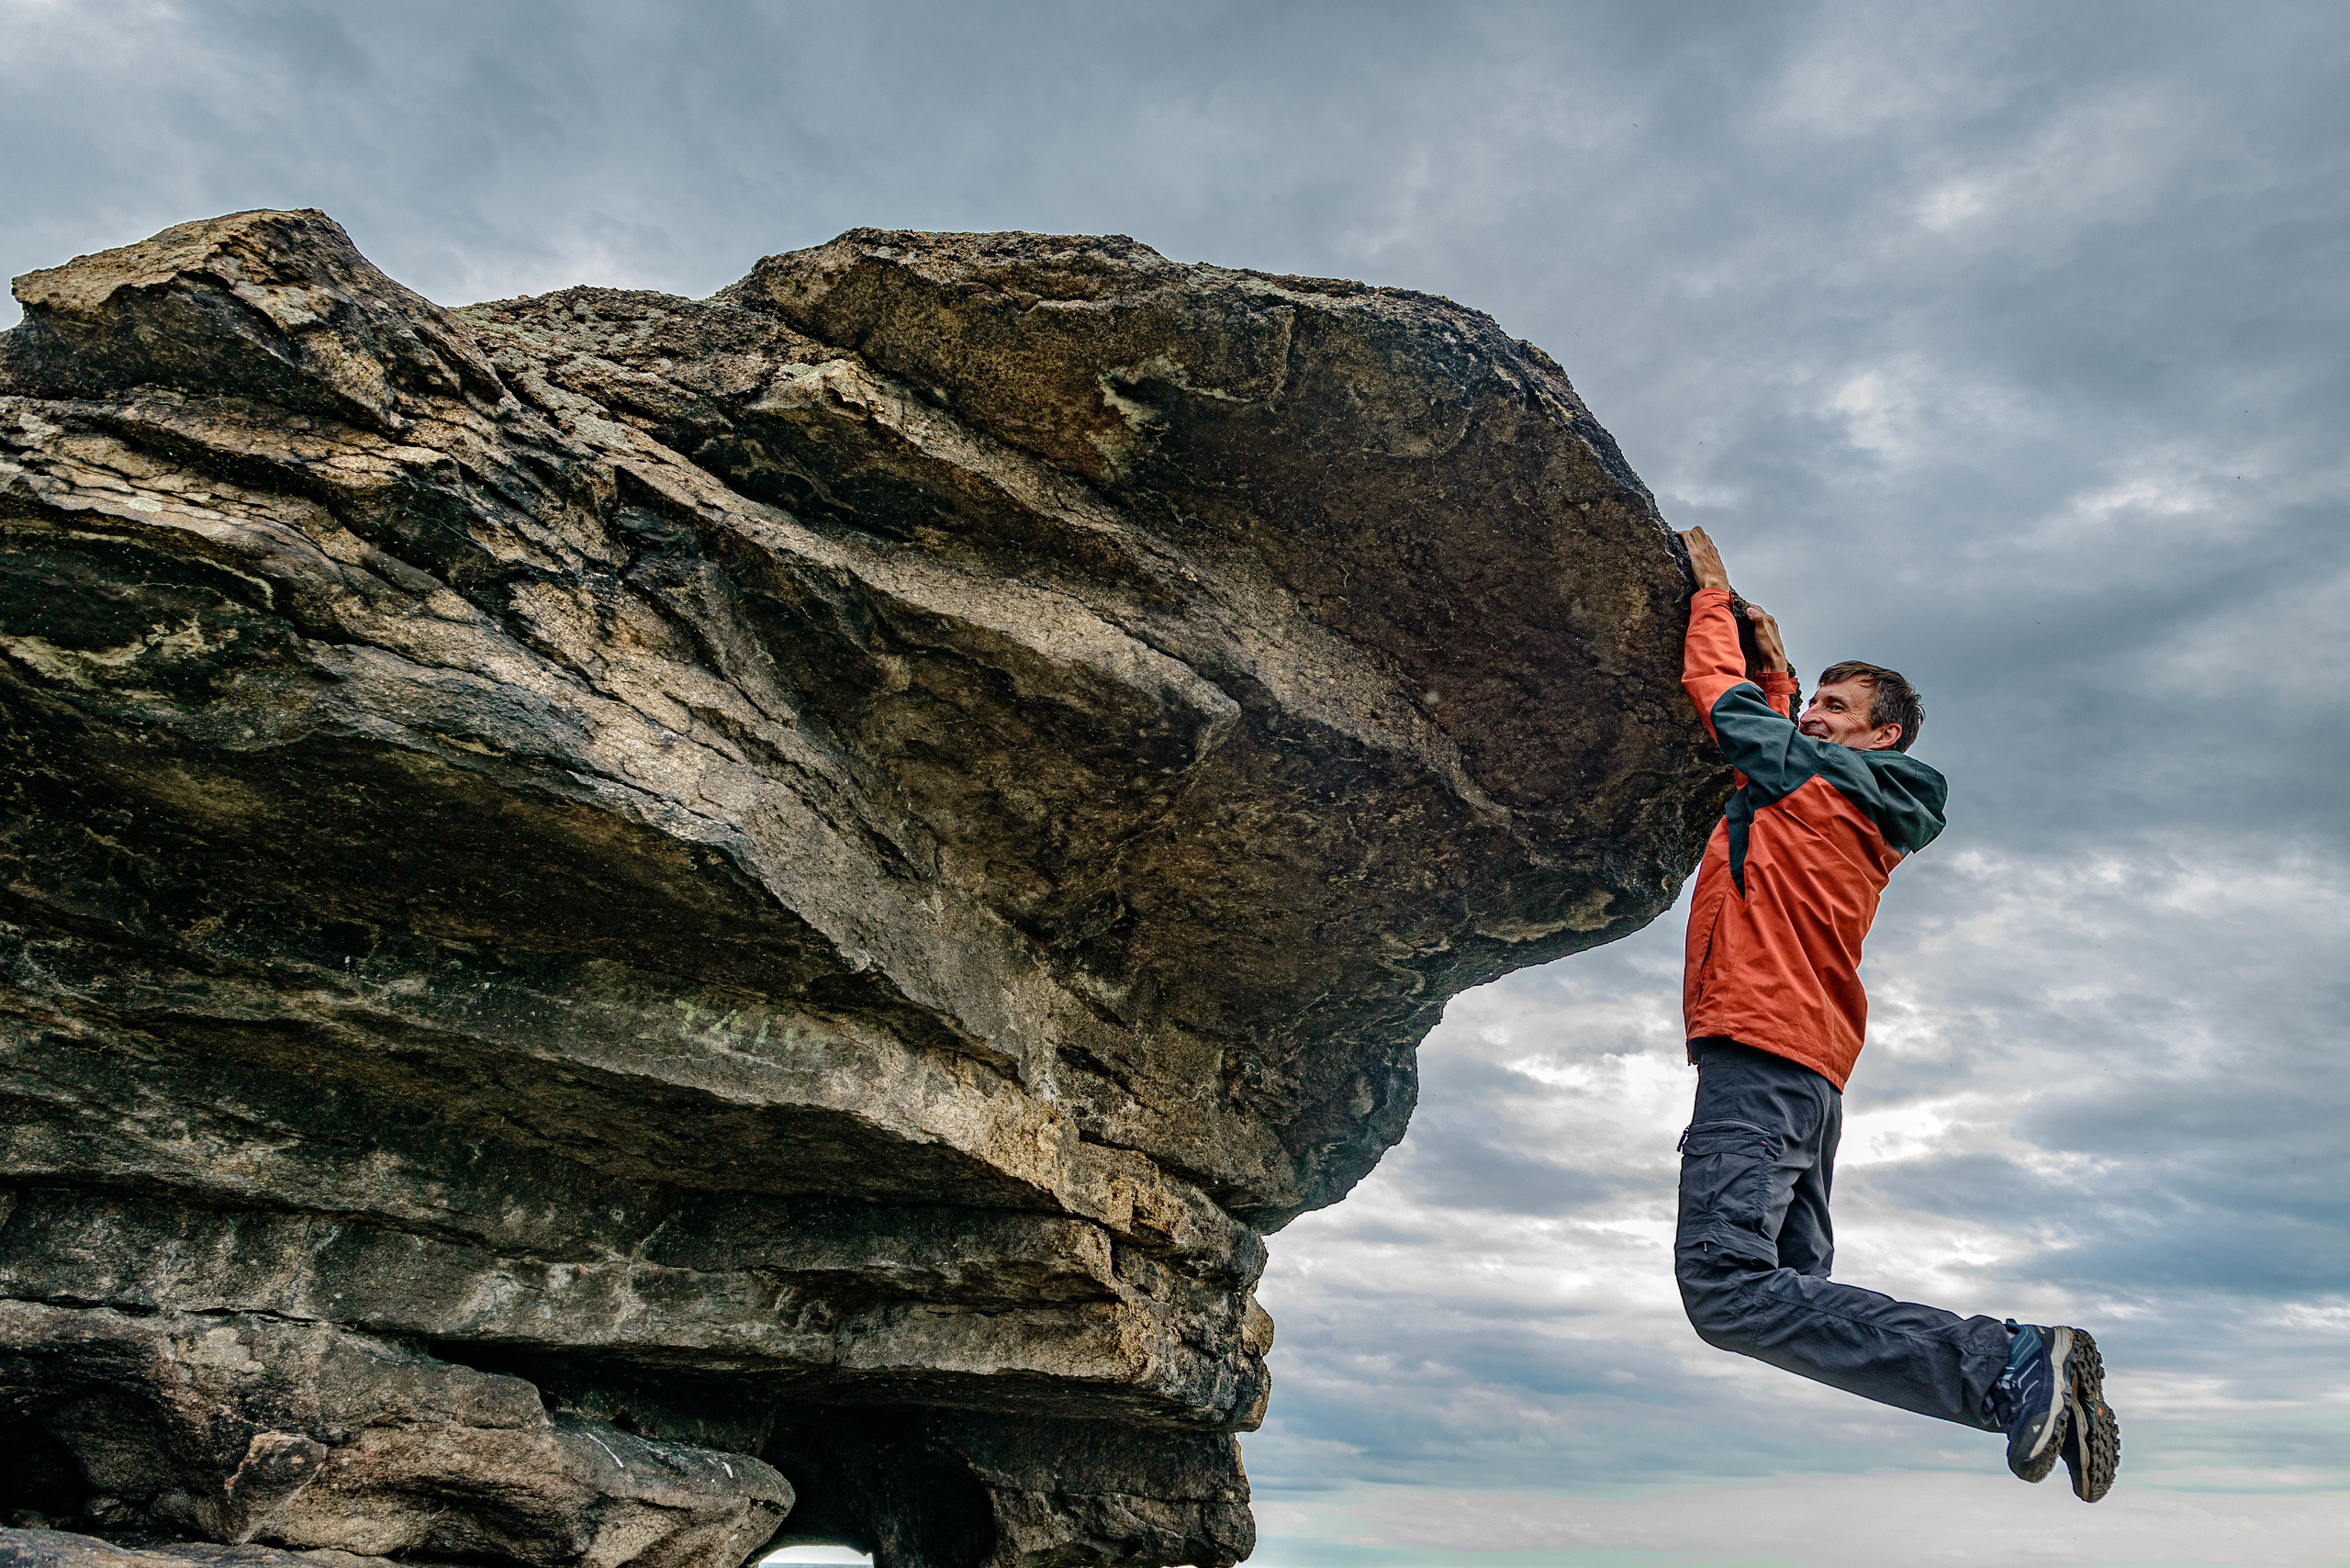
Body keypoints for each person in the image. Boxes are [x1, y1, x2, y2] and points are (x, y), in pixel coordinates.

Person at [1670, 524, 2119, 1503]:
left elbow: (1720, 703)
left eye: (1838, 708)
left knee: (1725, 1288)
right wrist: (1780, 672)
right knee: (1789, 1295)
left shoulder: (1812, 776)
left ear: (1886, 737)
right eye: (1812, 707)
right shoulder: (1839, 792)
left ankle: (2009, 1360)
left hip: (1761, 1057)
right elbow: (1770, 744)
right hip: (1807, 1076)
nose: (1815, 717)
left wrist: (1711, 601)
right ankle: (2020, 1384)